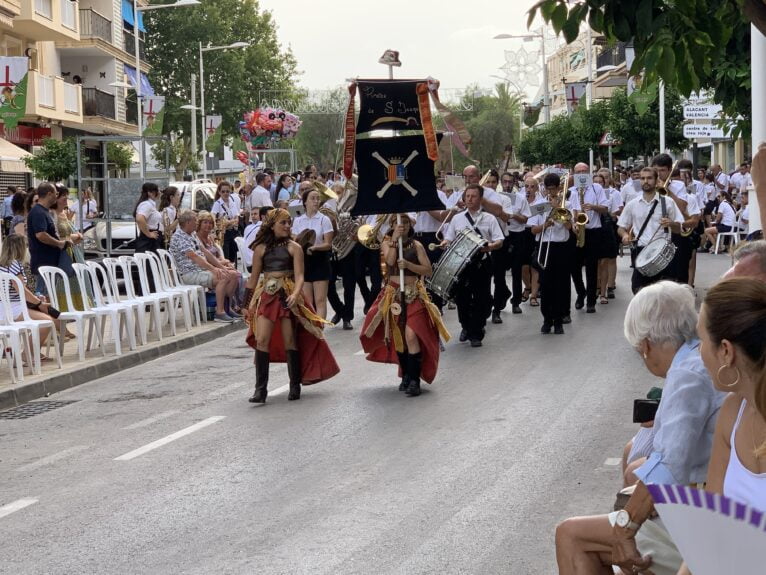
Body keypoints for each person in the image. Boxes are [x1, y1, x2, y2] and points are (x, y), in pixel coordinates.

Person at [554, 281, 725, 575]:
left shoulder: (687, 373)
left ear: (645, 346)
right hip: (719, 508)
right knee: (631, 480)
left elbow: (668, 468)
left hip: (710, 522)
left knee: (570, 535)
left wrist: (626, 528)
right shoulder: (698, 358)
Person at [242, 208, 339, 402]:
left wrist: (295, 294)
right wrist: (245, 304)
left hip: (287, 295)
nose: (287, 226)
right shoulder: (260, 249)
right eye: (283, 223)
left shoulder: (294, 247)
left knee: (290, 339)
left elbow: (300, 276)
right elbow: (252, 280)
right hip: (267, 295)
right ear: (272, 226)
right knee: (262, 339)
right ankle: (260, 389)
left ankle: (294, 385)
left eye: (289, 223)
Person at [360, 215, 449, 396]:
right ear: (392, 226)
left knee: (411, 334)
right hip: (393, 294)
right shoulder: (387, 243)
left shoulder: (416, 246)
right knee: (398, 334)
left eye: (406, 223)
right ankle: (406, 375)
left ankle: (415, 380)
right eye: (398, 223)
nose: (402, 226)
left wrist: (409, 265)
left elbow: (428, 269)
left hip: (413, 293)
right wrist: (394, 241)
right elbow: (391, 261)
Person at [441, 183, 503, 347]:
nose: (469, 199)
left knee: (482, 299)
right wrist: (445, 242)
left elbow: (499, 240)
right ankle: (466, 326)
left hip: (481, 263)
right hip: (461, 265)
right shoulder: (457, 218)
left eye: (473, 196)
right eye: (467, 196)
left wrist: (490, 246)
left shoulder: (489, 218)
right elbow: (449, 237)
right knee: (462, 298)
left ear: (480, 199)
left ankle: (476, 332)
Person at [617, 167, 684, 294]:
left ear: (656, 180)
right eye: (642, 178)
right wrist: (625, 235)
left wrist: (671, 223)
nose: (645, 181)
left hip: (663, 253)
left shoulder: (667, 202)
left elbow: (679, 229)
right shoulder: (633, 204)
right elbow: (621, 227)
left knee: (664, 294)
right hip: (641, 251)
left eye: (649, 178)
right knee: (638, 290)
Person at [169, 210, 239, 323]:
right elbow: (194, 257)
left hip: (200, 271)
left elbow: (206, 252)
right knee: (223, 277)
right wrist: (213, 269)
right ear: (187, 223)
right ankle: (219, 313)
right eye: (195, 221)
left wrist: (221, 266)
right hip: (189, 273)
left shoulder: (191, 234)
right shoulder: (179, 237)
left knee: (234, 275)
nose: (196, 223)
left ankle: (227, 307)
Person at [530, 173, 576, 334]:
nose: (551, 193)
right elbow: (533, 230)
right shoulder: (539, 205)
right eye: (548, 189)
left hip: (561, 248)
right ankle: (547, 319)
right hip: (544, 246)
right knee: (546, 285)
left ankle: (559, 320)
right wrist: (546, 224)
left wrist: (558, 209)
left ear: (559, 187)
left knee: (561, 285)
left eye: (554, 189)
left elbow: (570, 228)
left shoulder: (567, 204)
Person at [569, 162, 609, 314]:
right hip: (577, 231)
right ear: (574, 174)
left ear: (589, 173)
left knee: (592, 267)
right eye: (578, 172)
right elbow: (570, 211)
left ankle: (591, 300)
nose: (581, 174)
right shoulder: (572, 191)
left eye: (584, 171)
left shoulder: (597, 188)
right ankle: (581, 292)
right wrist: (573, 223)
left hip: (593, 231)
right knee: (574, 267)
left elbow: (605, 208)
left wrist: (592, 206)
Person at [291, 186, 334, 321]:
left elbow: (328, 244)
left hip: (320, 260)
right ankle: (311, 329)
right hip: (304, 261)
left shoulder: (324, 219)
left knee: (320, 300)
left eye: (317, 199)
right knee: (308, 301)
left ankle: (320, 329)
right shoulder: (298, 220)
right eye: (312, 199)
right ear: (305, 202)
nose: (316, 201)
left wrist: (315, 248)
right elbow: (294, 240)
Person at [195, 211, 243, 317]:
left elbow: (217, 254)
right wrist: (222, 263)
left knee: (236, 274)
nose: (208, 225)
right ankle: (222, 309)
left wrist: (225, 262)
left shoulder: (210, 238)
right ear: (199, 224)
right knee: (227, 275)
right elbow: (204, 259)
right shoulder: (196, 239)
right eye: (205, 222)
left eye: (210, 223)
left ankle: (228, 307)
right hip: (206, 267)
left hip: (216, 265)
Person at [52, 185, 89, 312]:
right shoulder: (52, 214)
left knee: (76, 282)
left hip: (73, 252)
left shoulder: (64, 213)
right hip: (63, 254)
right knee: (63, 283)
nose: (66, 198)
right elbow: (58, 236)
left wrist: (76, 236)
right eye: (63, 196)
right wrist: (74, 236)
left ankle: (76, 308)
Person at [26, 183, 67, 296]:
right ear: (49, 194)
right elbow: (40, 235)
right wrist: (58, 243)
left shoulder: (45, 211)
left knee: (49, 296)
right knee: (43, 296)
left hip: (49, 262)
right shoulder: (38, 212)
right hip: (43, 263)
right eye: (56, 193)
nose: (57, 196)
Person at [210, 180, 241, 263]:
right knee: (225, 257)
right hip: (224, 234)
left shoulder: (232, 202)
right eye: (223, 191)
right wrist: (225, 223)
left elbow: (236, 217)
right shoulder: (218, 203)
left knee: (233, 257)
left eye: (227, 191)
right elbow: (212, 216)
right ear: (219, 192)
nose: (225, 193)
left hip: (233, 232)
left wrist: (229, 222)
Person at [243, 206, 271, 273]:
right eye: (252, 214)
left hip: (252, 258)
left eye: (255, 214)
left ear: (261, 216)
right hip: (249, 258)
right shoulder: (248, 227)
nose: (253, 216)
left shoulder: (263, 226)